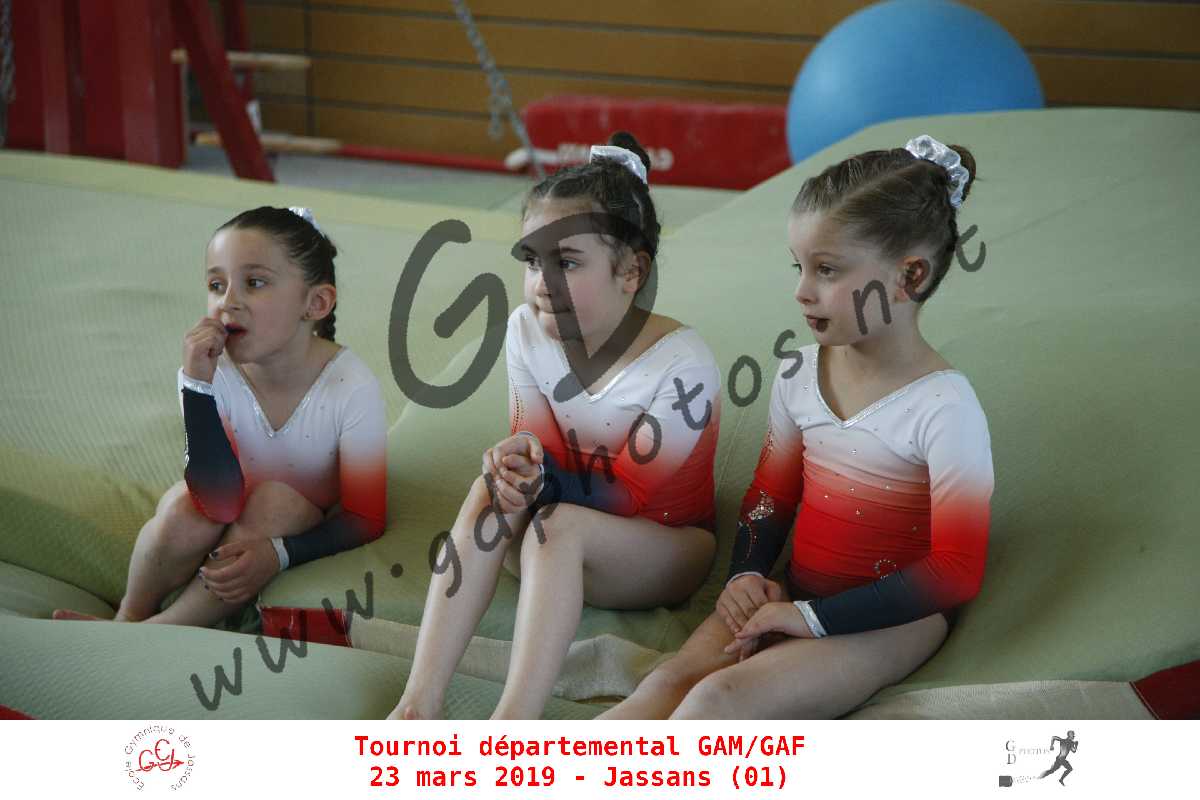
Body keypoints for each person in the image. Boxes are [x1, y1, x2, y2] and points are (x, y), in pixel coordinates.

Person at [601, 134, 994, 719]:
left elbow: (956, 571)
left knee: (716, 699)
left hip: (895, 624)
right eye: (800, 266)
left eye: (827, 270)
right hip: (793, 594)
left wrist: (812, 618)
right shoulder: (799, 374)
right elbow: (771, 497)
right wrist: (746, 576)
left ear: (909, 276)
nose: (802, 291)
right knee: (664, 684)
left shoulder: (944, 407)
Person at [389, 132, 721, 720]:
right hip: (549, 543)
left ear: (632, 271)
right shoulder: (525, 330)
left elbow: (628, 492)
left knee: (556, 525)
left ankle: (513, 723)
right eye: (531, 261)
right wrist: (514, 461)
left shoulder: (683, 364)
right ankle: (418, 703)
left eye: (566, 262)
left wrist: (540, 483)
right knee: (492, 491)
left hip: (659, 550)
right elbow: (536, 443)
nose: (543, 281)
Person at [55, 206, 387, 627]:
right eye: (216, 285)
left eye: (255, 282)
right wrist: (197, 385)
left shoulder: (352, 386)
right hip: (222, 499)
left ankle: (164, 629)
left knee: (277, 502)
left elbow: (366, 518)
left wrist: (280, 553)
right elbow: (217, 499)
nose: (228, 302)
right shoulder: (209, 372)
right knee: (183, 508)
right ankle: (130, 613)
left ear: (316, 302)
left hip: (291, 521)